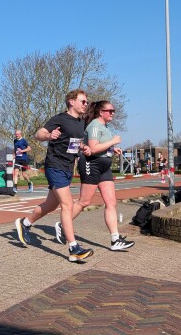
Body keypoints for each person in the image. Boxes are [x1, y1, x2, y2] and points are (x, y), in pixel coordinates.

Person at [14, 89, 94, 262]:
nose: (86, 104)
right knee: (68, 204)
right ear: (71, 102)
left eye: (86, 102)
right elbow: (38, 134)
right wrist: (49, 135)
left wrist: (83, 147)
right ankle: (73, 248)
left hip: (67, 168)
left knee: (50, 205)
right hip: (54, 166)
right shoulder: (60, 118)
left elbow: (73, 143)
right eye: (83, 101)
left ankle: (25, 223)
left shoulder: (80, 122)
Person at [54, 100, 134, 251]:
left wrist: (112, 149)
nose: (113, 113)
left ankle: (115, 239)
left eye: (113, 111)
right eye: (110, 111)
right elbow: (93, 148)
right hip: (92, 163)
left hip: (104, 165)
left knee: (111, 202)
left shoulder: (105, 127)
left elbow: (102, 147)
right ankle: (64, 224)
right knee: (84, 201)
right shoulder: (95, 126)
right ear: (100, 112)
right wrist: (113, 141)